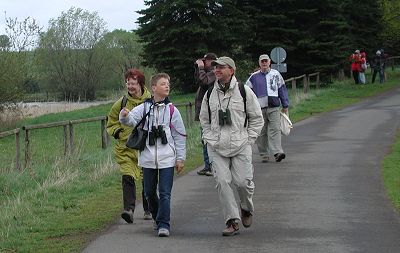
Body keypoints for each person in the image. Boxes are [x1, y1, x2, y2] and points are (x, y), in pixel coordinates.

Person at [199, 56, 263, 236]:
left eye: (221, 67)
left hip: (240, 144)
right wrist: (208, 136)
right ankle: (232, 220)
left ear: (232, 70)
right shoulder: (210, 93)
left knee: (243, 183)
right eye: (215, 67)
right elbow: (204, 119)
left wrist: (249, 139)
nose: (216, 70)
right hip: (216, 146)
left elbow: (257, 119)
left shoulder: (244, 91)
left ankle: (246, 208)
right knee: (222, 181)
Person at [119, 73, 186, 237]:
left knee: (165, 193)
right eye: (163, 84)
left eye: (168, 84)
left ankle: (164, 224)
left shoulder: (172, 110)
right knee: (149, 193)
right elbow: (130, 121)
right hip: (147, 158)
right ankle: (157, 218)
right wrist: (124, 116)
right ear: (154, 88)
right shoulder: (144, 107)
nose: (167, 86)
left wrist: (180, 158)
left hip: (167, 158)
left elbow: (180, 135)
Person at [106, 68, 152, 224]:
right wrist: (117, 132)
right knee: (127, 176)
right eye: (128, 83)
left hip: (146, 147)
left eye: (133, 83)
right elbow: (110, 122)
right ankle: (129, 210)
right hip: (125, 148)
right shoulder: (121, 103)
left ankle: (148, 208)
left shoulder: (151, 101)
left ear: (140, 84)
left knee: (148, 178)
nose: (130, 86)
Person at [245, 54, 290, 163]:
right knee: (261, 132)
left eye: (266, 61)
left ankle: (277, 152)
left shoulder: (276, 74)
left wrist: (285, 104)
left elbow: (282, 89)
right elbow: (247, 92)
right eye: (262, 62)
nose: (264, 63)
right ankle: (264, 153)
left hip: (274, 107)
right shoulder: (253, 77)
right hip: (259, 109)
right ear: (259, 63)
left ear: (269, 62)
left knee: (275, 129)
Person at [194, 52, 217, 176]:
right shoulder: (208, 72)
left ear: (211, 61)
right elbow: (198, 80)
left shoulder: (215, 72)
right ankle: (208, 165)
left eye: (205, 61)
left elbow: (204, 81)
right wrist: (197, 69)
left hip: (210, 113)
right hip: (205, 113)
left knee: (208, 139)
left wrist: (201, 68)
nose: (203, 63)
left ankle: (211, 165)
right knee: (204, 139)